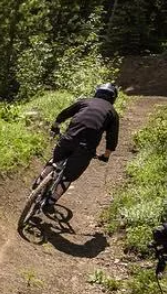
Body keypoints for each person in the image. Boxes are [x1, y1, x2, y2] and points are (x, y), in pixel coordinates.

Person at [42, 83, 120, 211]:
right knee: (69, 176)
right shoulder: (112, 113)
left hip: (68, 139)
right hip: (86, 149)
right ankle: (50, 202)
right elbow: (112, 139)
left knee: (55, 160)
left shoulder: (85, 101)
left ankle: (38, 183)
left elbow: (65, 113)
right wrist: (105, 156)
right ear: (113, 98)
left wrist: (55, 126)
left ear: (97, 92)